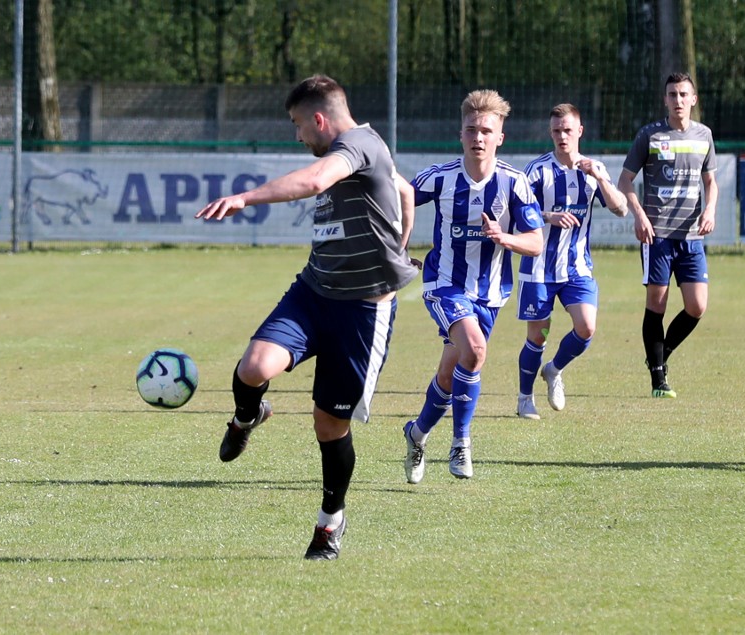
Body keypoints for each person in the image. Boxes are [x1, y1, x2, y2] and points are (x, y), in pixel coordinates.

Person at [195, 74, 418, 560]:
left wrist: (246, 198)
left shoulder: (357, 143)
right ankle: (247, 416)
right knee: (253, 368)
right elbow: (404, 190)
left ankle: (329, 523)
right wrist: (399, 246)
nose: (299, 136)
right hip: (313, 292)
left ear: (320, 119)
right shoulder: (366, 151)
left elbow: (316, 180)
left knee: (328, 425)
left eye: (299, 125)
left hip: (362, 313)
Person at [402, 89, 544, 484]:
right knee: (476, 351)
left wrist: (505, 238)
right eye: (471, 130)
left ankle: (416, 433)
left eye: (486, 130)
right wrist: (398, 248)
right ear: (460, 135)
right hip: (444, 283)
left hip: (491, 293)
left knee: (452, 372)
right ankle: (461, 443)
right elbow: (398, 200)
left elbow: (536, 243)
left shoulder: (515, 183)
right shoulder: (440, 177)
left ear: (500, 137)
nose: (478, 137)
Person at [515, 103, 629, 419]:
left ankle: (554, 370)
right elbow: (514, 214)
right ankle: (525, 398)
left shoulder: (595, 171)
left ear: (579, 131)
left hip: (576, 268)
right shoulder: (537, 172)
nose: (562, 136)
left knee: (586, 327)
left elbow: (621, 209)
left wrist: (600, 179)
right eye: (556, 131)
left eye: (567, 130)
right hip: (538, 268)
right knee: (538, 335)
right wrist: (548, 216)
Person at [617, 72, 718, 398]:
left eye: (683, 94)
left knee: (696, 306)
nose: (677, 100)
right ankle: (658, 379)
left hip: (691, 236)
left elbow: (711, 182)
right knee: (656, 306)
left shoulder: (704, 135)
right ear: (665, 100)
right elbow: (625, 182)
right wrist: (639, 216)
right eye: (672, 94)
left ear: (693, 99)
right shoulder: (649, 135)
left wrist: (710, 210)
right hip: (657, 235)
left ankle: (660, 356)